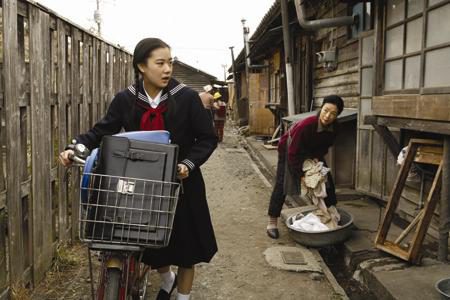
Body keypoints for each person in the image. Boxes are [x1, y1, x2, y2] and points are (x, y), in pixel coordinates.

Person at [59, 38, 218, 300]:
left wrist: (187, 164)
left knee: (186, 250)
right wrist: (73, 147)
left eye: (170, 62)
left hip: (182, 185)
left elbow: (207, 138)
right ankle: (167, 280)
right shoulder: (126, 99)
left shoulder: (187, 98)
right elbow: (101, 131)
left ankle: (183, 297)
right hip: (141, 186)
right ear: (142, 66)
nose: (167, 69)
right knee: (149, 244)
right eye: (160, 63)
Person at [266, 95, 344, 239]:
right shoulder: (306, 125)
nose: (327, 116)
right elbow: (293, 153)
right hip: (289, 149)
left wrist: (316, 159)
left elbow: (325, 146)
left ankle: (331, 212)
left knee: (326, 179)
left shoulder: (335, 128)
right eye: (326, 110)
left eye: (333, 113)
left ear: (337, 115)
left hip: (311, 152)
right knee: (283, 184)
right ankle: (272, 222)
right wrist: (301, 176)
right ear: (321, 109)